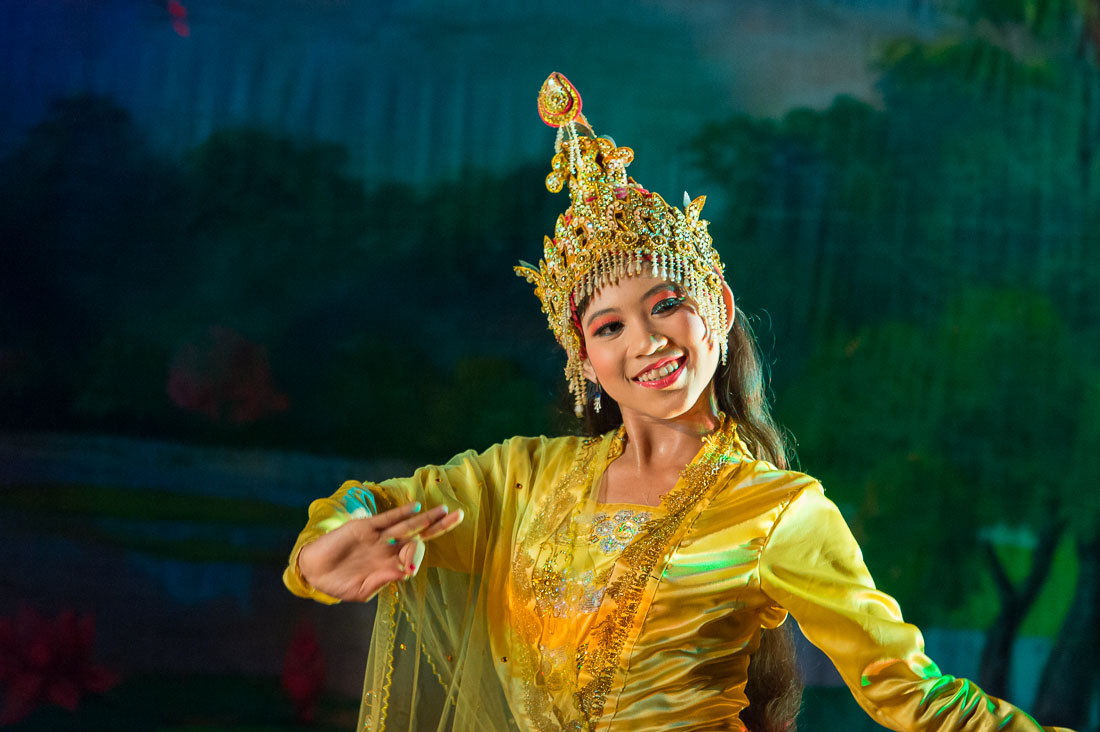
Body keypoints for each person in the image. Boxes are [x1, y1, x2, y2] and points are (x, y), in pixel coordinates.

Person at [284, 73, 1073, 732]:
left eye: (667, 305)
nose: (647, 342)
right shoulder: (516, 481)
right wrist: (329, 545)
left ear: (720, 309)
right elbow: (376, 504)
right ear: (585, 361)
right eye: (609, 325)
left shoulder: (779, 512)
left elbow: (913, 693)